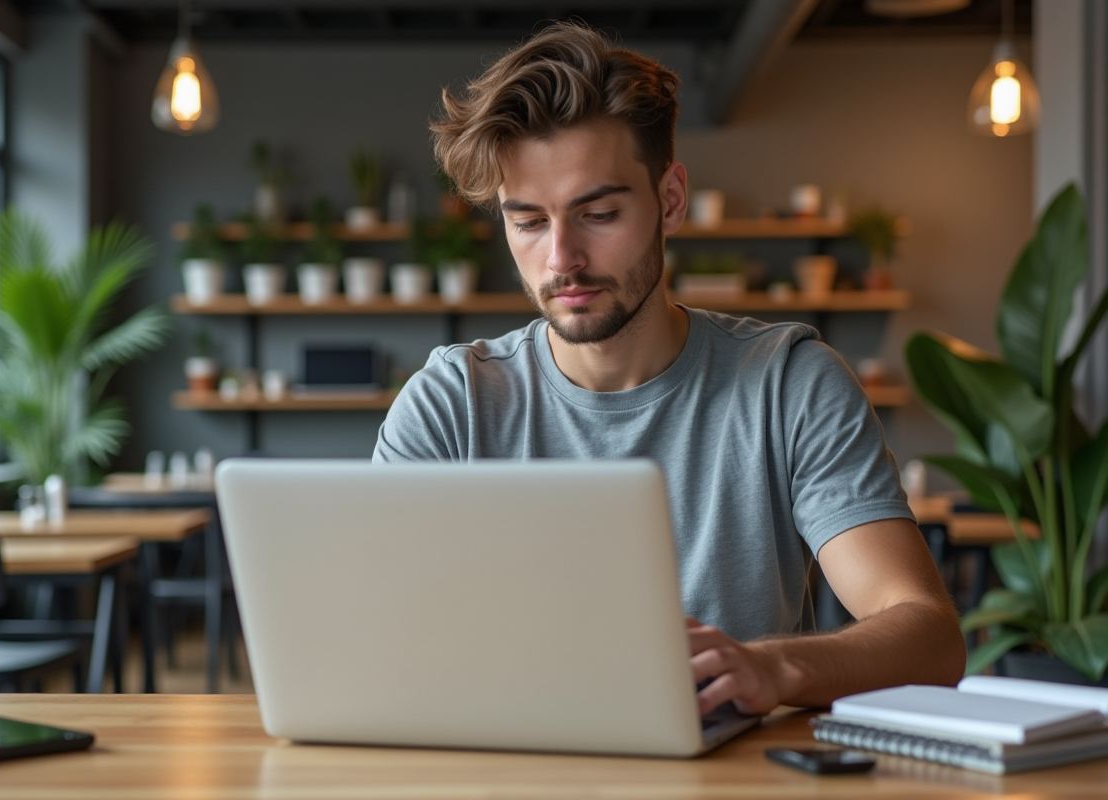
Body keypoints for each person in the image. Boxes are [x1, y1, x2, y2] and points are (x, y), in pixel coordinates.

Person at [373, 22, 965, 716]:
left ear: (671, 201)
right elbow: (379, 639)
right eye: (528, 221)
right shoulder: (451, 403)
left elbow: (928, 635)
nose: (561, 258)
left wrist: (771, 667)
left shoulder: (788, 384)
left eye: (598, 213)